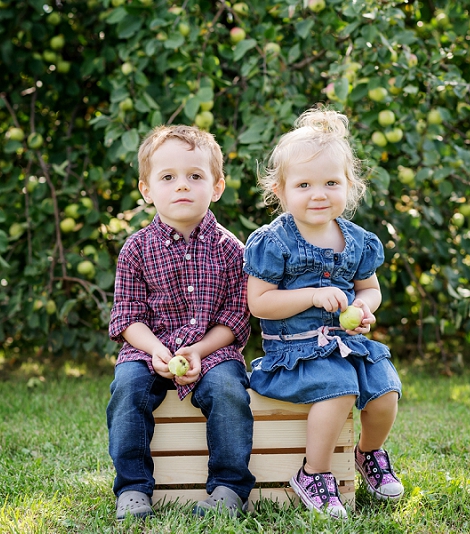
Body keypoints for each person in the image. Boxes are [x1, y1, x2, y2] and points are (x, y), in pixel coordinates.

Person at [243, 108, 404, 519]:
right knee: (339, 387)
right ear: (280, 190)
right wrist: (313, 295)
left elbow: (370, 289)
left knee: (385, 387)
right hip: (294, 354)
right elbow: (259, 303)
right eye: (304, 184)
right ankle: (313, 473)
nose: (319, 193)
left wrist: (364, 308)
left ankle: (368, 452)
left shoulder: (357, 241)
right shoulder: (273, 241)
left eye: (331, 182)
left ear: (350, 187)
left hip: (347, 345)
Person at [106, 124, 255, 520]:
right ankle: (133, 489)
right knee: (127, 388)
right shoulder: (136, 249)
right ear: (147, 190)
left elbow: (235, 317)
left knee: (228, 391)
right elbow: (128, 316)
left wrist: (201, 350)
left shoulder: (232, 250)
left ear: (217, 186)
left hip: (213, 348)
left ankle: (228, 488)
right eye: (168, 177)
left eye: (195, 176)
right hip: (148, 349)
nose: (182, 186)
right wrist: (155, 348)